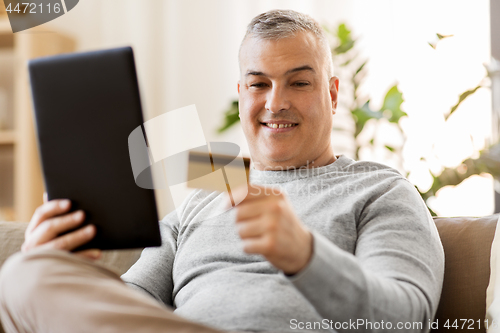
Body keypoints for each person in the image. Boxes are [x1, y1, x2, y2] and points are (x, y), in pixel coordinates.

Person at [0, 9, 444, 333]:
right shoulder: (202, 199)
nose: (275, 103)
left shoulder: (381, 190)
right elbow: (134, 302)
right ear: (241, 93)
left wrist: (305, 256)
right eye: (259, 84)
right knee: (23, 274)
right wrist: (66, 267)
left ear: (332, 93)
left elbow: (406, 319)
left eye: (300, 82)